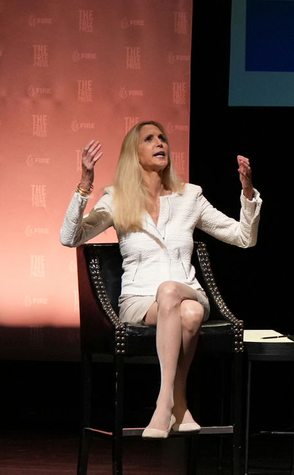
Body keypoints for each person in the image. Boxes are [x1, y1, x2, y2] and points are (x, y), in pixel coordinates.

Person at [61, 120, 261, 439]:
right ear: (134, 153)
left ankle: (161, 403)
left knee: (174, 294)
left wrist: (247, 194)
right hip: (140, 303)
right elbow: (70, 237)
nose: (160, 143)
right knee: (190, 314)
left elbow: (243, 237)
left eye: (163, 138)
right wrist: (84, 185)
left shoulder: (190, 197)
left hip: (187, 291)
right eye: (150, 139)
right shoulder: (117, 199)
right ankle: (179, 405)